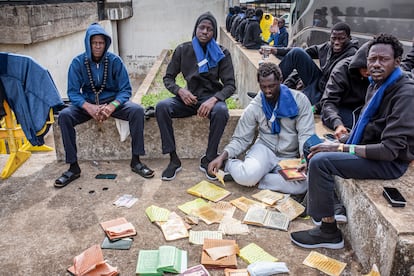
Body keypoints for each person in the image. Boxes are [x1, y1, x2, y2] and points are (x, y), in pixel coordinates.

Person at [290, 33, 414, 250]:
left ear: (397, 62)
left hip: (389, 162)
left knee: (321, 162)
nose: (375, 64)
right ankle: (327, 201)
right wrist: (339, 141)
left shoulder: (405, 93)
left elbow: (390, 151)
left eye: (383, 59)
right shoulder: (377, 83)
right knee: (313, 145)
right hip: (370, 144)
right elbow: (364, 124)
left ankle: (328, 232)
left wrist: (340, 147)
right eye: (372, 59)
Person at [54, 23, 154, 188]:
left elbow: (125, 90)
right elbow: (72, 92)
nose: (98, 46)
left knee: (137, 111)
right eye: (94, 43)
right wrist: (88, 107)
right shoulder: (78, 63)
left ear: (106, 44)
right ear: (88, 43)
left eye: (101, 43)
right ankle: (73, 167)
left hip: (112, 104)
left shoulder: (115, 61)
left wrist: (112, 106)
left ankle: (136, 161)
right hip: (87, 105)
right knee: (64, 116)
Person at [208, 62, 314, 195]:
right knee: (248, 176)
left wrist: (304, 159)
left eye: (272, 86)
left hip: (290, 156)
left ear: (280, 81)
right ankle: (232, 166)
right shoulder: (255, 106)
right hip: (264, 150)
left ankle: (257, 178)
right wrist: (223, 157)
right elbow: (241, 138)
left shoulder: (300, 101)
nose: (268, 91)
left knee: (303, 185)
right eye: (263, 87)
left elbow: (306, 135)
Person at [155, 12, 236, 181]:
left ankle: (209, 158)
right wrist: (180, 91)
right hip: (187, 99)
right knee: (162, 107)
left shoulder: (222, 53)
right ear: (196, 29)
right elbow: (168, 78)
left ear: (214, 33)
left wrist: (214, 100)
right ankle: (173, 160)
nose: (205, 32)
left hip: (211, 100)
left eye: (209, 29)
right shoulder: (183, 50)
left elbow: (230, 85)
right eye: (202, 27)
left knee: (221, 112)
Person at [265, 22, 358, 110]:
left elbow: (343, 90)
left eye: (341, 39)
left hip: (328, 93)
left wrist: (318, 107)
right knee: (297, 52)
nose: (337, 42)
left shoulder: (352, 55)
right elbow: (305, 52)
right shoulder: (328, 47)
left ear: (349, 38)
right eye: (334, 38)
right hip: (319, 82)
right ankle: (270, 89)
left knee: (294, 104)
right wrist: (277, 50)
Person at [320, 42, 370, 139]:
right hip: (342, 109)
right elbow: (329, 102)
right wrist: (337, 124)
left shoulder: (379, 73)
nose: (368, 72)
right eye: (364, 68)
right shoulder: (341, 70)